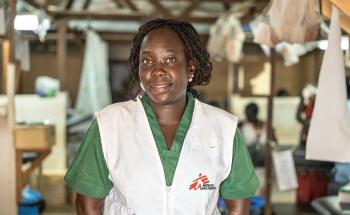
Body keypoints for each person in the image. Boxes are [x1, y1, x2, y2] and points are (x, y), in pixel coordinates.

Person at [64, 18, 259, 215]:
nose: (157, 71)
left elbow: (238, 205)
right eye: (147, 61)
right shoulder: (109, 125)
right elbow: (88, 204)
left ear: (190, 67)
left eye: (170, 59)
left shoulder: (223, 129)